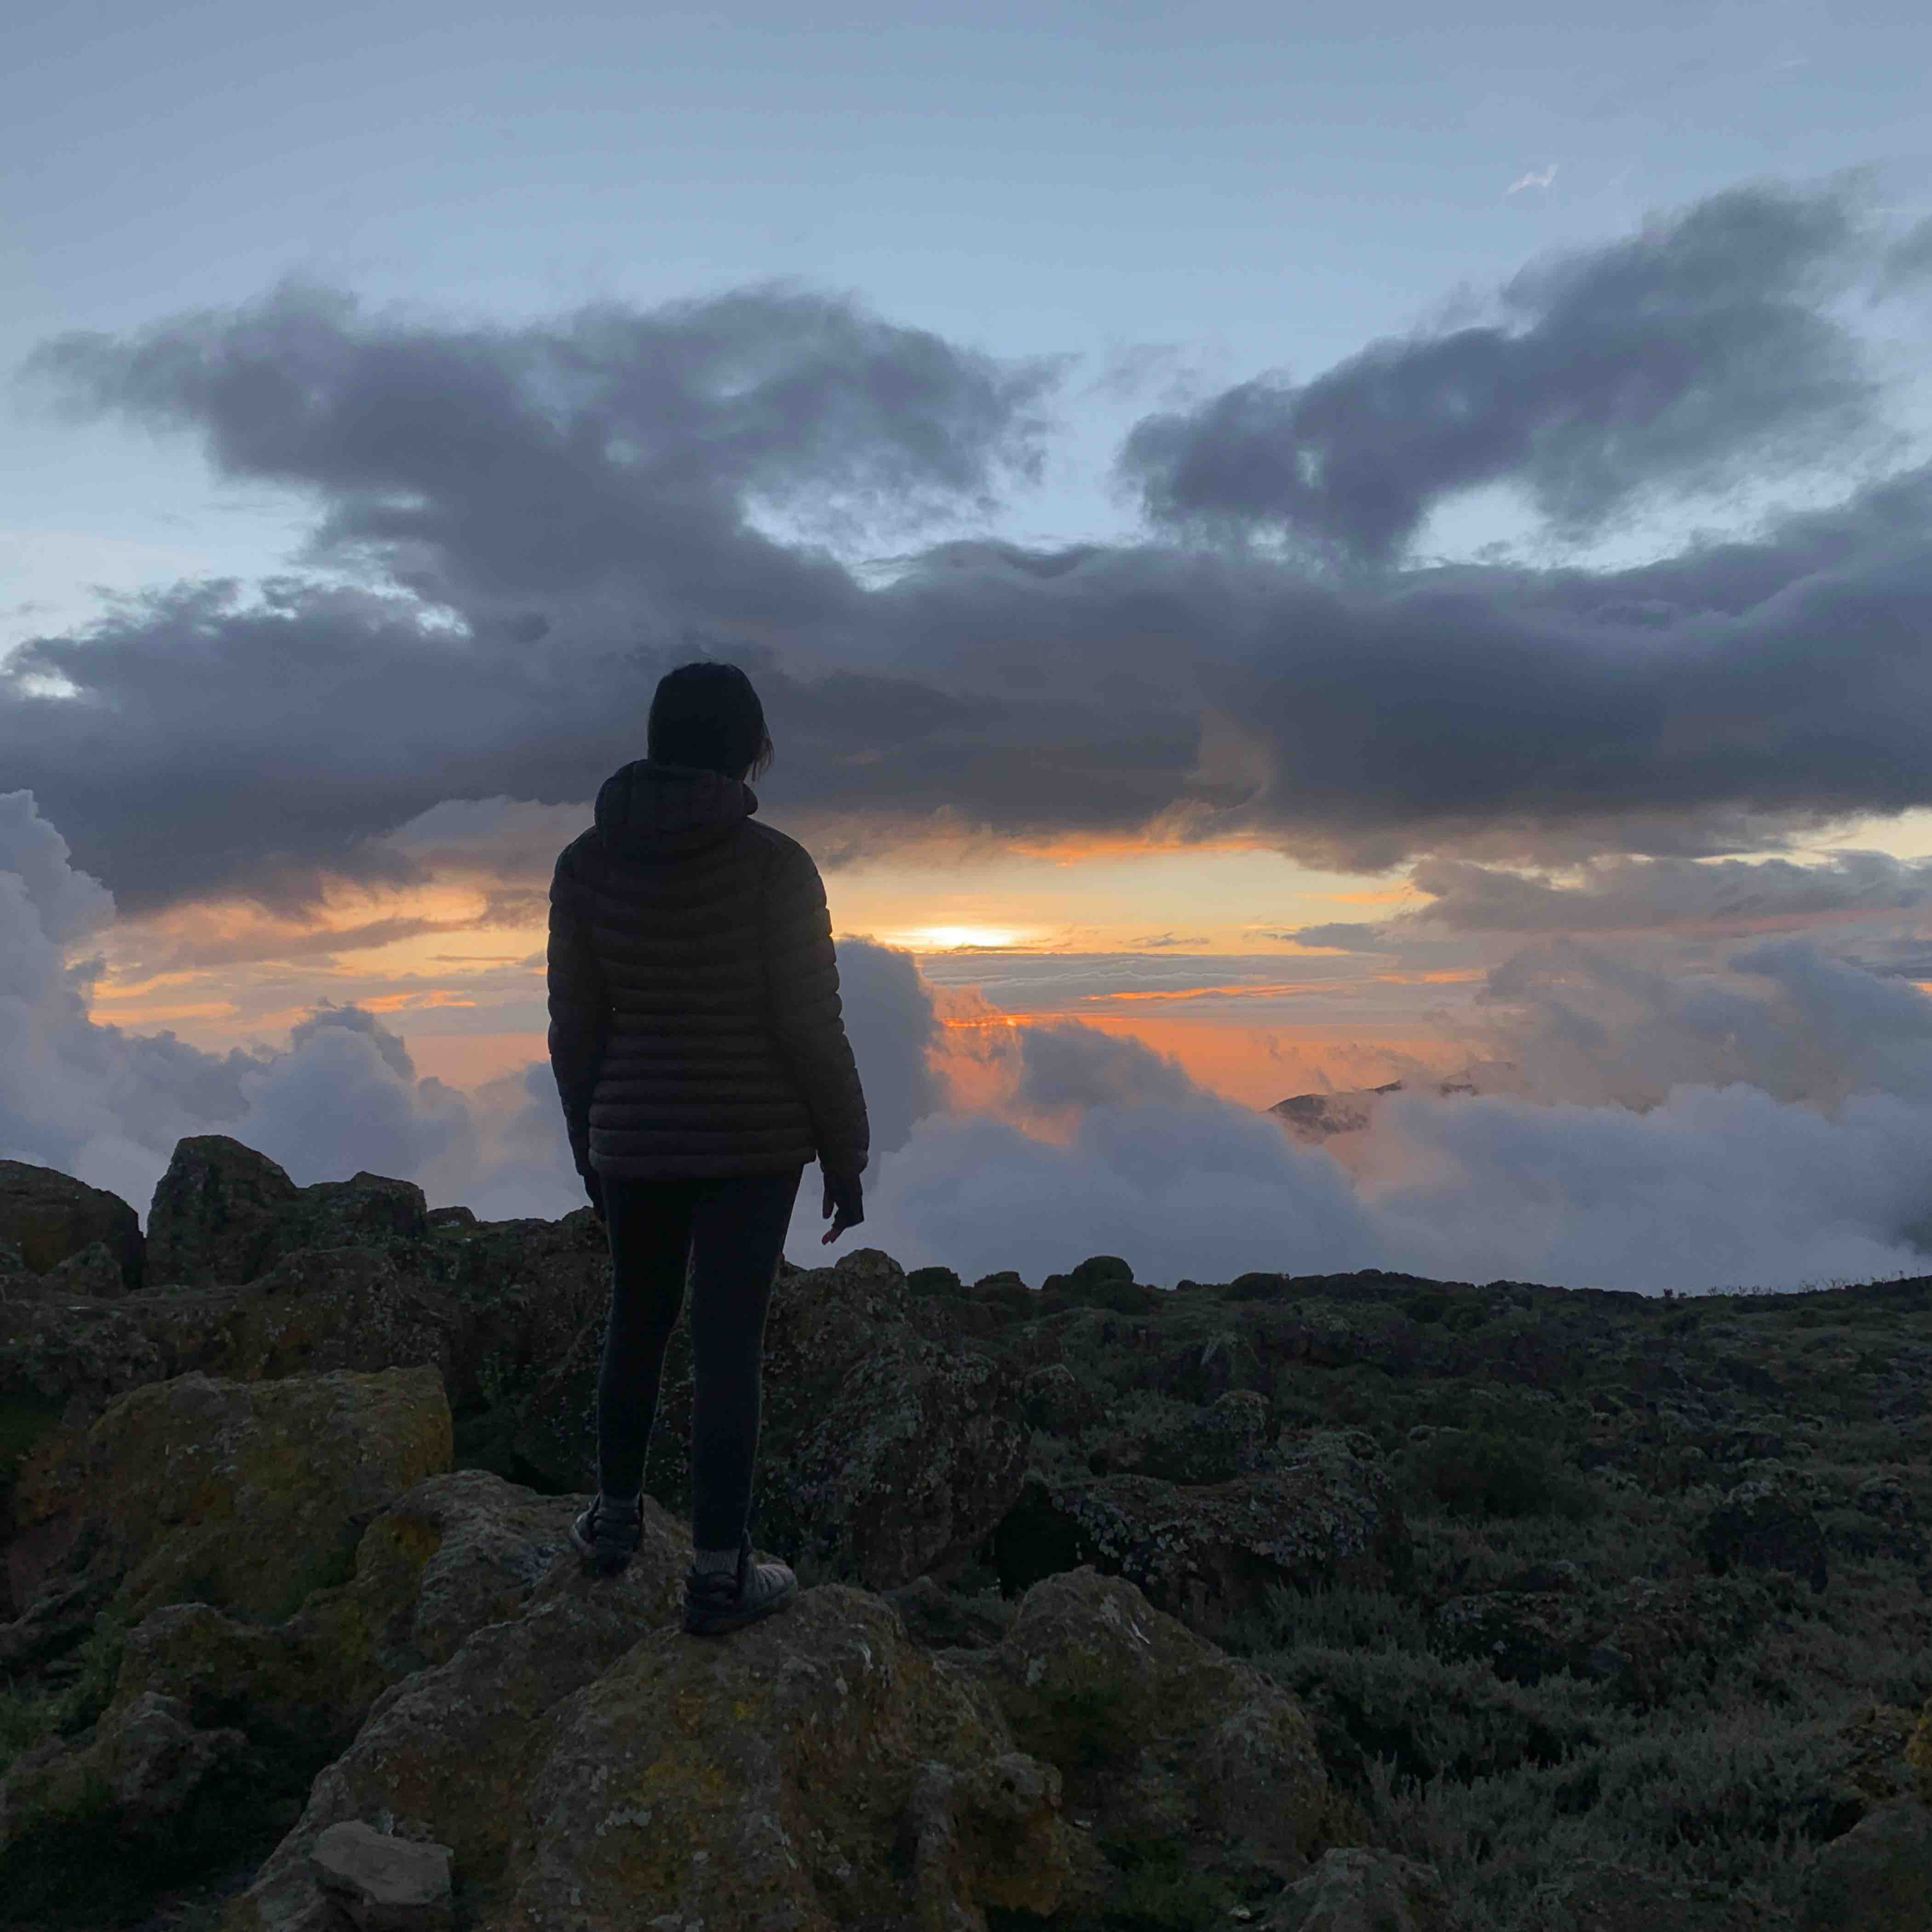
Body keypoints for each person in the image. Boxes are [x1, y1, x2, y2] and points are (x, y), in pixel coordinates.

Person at [546, 660, 870, 1636]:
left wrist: (589, 1141)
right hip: (752, 1142)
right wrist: (845, 1153)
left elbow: (577, 1027)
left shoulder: (584, 863)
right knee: (730, 1347)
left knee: (636, 1320)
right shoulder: (777, 866)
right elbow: (810, 1025)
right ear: (748, 749)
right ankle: (721, 1576)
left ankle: (612, 1523)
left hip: (631, 1136)